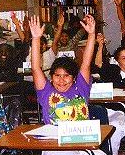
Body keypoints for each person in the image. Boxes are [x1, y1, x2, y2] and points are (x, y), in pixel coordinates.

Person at [30, 14, 107, 155]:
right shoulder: (46, 91)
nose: (61, 80)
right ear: (51, 78)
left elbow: (86, 63)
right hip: (55, 145)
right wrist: (35, 39)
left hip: (82, 142)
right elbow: (35, 68)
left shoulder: (81, 88)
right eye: (57, 76)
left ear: (74, 78)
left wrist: (91, 34)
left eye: (66, 76)